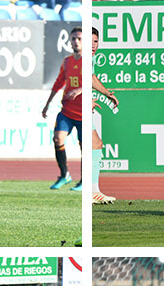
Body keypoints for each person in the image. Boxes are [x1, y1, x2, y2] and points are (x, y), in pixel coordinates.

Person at [42, 27, 82, 191]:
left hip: (83, 113)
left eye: (79, 38)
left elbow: (94, 82)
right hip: (67, 111)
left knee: (83, 146)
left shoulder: (89, 61)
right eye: (73, 38)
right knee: (58, 139)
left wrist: (79, 90)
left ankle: (84, 180)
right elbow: (59, 83)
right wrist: (47, 103)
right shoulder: (67, 61)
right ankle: (64, 174)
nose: (76, 41)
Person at [91, 27, 119, 204]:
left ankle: (92, 191)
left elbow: (91, 77)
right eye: (90, 41)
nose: (93, 45)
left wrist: (107, 93)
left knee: (95, 144)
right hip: (74, 108)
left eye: (95, 41)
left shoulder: (90, 58)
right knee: (93, 145)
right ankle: (91, 191)